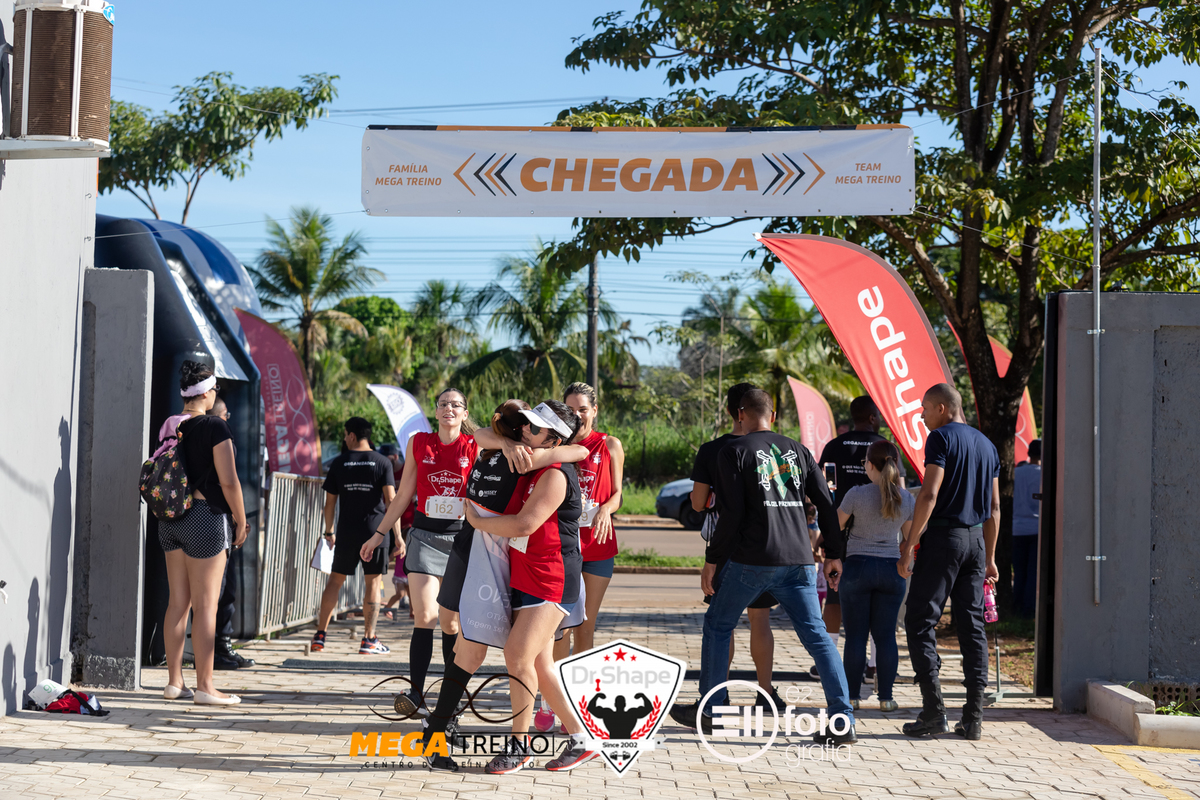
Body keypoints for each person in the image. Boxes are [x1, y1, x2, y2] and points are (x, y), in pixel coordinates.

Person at [670, 388, 856, 744]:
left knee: (718, 624)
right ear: (771, 414)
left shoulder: (733, 452)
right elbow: (826, 503)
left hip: (751, 560)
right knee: (818, 639)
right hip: (800, 560)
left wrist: (712, 560)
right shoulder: (799, 451)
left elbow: (732, 514)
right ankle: (842, 721)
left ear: (740, 414)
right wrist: (833, 552)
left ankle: (710, 710)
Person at [420, 400, 588, 772]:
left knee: (515, 656)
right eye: (524, 423)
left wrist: (479, 523)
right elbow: (482, 433)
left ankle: (519, 746)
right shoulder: (519, 454)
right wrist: (508, 443)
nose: (525, 429)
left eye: (535, 427)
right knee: (537, 666)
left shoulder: (552, 470)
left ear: (552, 438)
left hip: (547, 578)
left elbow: (526, 523)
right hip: (514, 571)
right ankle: (581, 738)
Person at [362, 389, 478, 715]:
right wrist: (378, 535)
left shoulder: (475, 446)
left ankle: (450, 697)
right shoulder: (419, 443)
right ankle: (415, 693)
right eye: (443, 404)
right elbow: (403, 495)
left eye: (456, 404)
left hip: (461, 542)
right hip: (425, 537)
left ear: (465, 413)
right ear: (436, 411)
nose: (449, 409)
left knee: (451, 624)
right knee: (425, 617)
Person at [899, 383, 1000, 741]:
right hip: (975, 541)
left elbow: (929, 492)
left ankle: (933, 711)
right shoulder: (987, 446)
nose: (922, 416)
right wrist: (989, 557)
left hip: (944, 538)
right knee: (972, 626)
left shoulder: (940, 439)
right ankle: (973, 717)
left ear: (942, 408)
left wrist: (910, 544)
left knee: (919, 619)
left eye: (924, 409)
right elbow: (995, 507)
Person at [157, 360, 247, 706]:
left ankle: (174, 682)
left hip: (170, 519)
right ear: (207, 392)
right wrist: (240, 520)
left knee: (178, 603)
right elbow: (228, 480)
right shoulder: (214, 427)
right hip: (204, 518)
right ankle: (206, 686)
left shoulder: (169, 424)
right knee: (206, 607)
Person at [688, 382, 781, 707]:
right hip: (766, 543)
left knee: (722, 621)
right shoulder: (773, 447)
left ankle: (718, 694)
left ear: (732, 411)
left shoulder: (713, 450)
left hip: (725, 548)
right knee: (761, 619)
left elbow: (698, 504)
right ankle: (766, 692)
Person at [813, 396, 903, 681]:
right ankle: (875, 666)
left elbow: (822, 490)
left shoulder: (834, 446)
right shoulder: (886, 448)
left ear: (852, 417)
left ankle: (827, 662)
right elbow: (900, 493)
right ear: (874, 417)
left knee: (835, 601)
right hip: (882, 536)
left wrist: (823, 532)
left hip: (841, 534)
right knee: (880, 607)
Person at [312, 417, 400, 656]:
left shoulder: (339, 463)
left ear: (351, 435)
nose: (344, 439)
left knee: (335, 581)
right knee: (372, 584)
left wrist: (329, 531)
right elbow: (392, 501)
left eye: (344, 435)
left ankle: (320, 636)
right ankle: (369, 640)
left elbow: (329, 504)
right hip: (376, 533)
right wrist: (398, 537)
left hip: (346, 533)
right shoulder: (382, 462)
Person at [837, 440, 913, 712]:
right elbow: (909, 538)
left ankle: (853, 697)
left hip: (858, 568)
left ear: (869, 465)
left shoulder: (856, 494)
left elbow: (836, 526)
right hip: (892, 571)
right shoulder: (907, 499)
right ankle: (887, 698)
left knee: (856, 636)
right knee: (886, 637)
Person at [553, 382, 624, 660]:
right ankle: (553, 692)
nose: (577, 414)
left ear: (594, 411)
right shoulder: (554, 445)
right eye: (570, 409)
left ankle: (579, 693)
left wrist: (607, 509)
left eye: (583, 409)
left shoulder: (610, 445)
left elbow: (618, 493)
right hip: (562, 546)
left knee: (584, 623)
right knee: (561, 624)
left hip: (598, 545)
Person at [206, 397, 254, 670]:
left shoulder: (182, 431)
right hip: (217, 521)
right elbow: (229, 482)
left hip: (187, 520)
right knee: (221, 590)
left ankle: (217, 649)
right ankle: (216, 652)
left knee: (201, 596)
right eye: (226, 414)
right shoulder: (220, 438)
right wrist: (240, 519)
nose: (228, 419)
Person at [1011, 439, 1041, 618]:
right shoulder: (1043, 474)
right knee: (1033, 571)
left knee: (1019, 570)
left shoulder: (1017, 473)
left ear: (1029, 453)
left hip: (1017, 528)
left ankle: (1016, 604)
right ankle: (1028, 609)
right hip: (1037, 528)